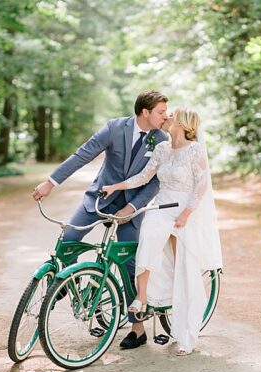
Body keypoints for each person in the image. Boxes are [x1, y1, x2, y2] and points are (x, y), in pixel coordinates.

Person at [31, 89, 170, 350]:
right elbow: (82, 155)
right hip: (100, 198)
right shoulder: (115, 128)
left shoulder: (162, 139)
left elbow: (155, 183)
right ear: (145, 112)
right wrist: (51, 183)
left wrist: (132, 206)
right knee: (69, 239)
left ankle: (137, 328)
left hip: (130, 206)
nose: (166, 116)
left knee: (130, 264)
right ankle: (69, 282)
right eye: (161, 112)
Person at [102, 107, 223, 356]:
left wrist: (186, 214)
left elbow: (201, 186)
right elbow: (144, 176)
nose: (167, 117)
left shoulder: (194, 150)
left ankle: (185, 333)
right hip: (161, 207)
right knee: (147, 241)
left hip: (183, 212)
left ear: (182, 124)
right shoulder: (162, 148)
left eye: (172, 116)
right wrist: (116, 186)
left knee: (183, 269)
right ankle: (142, 299)